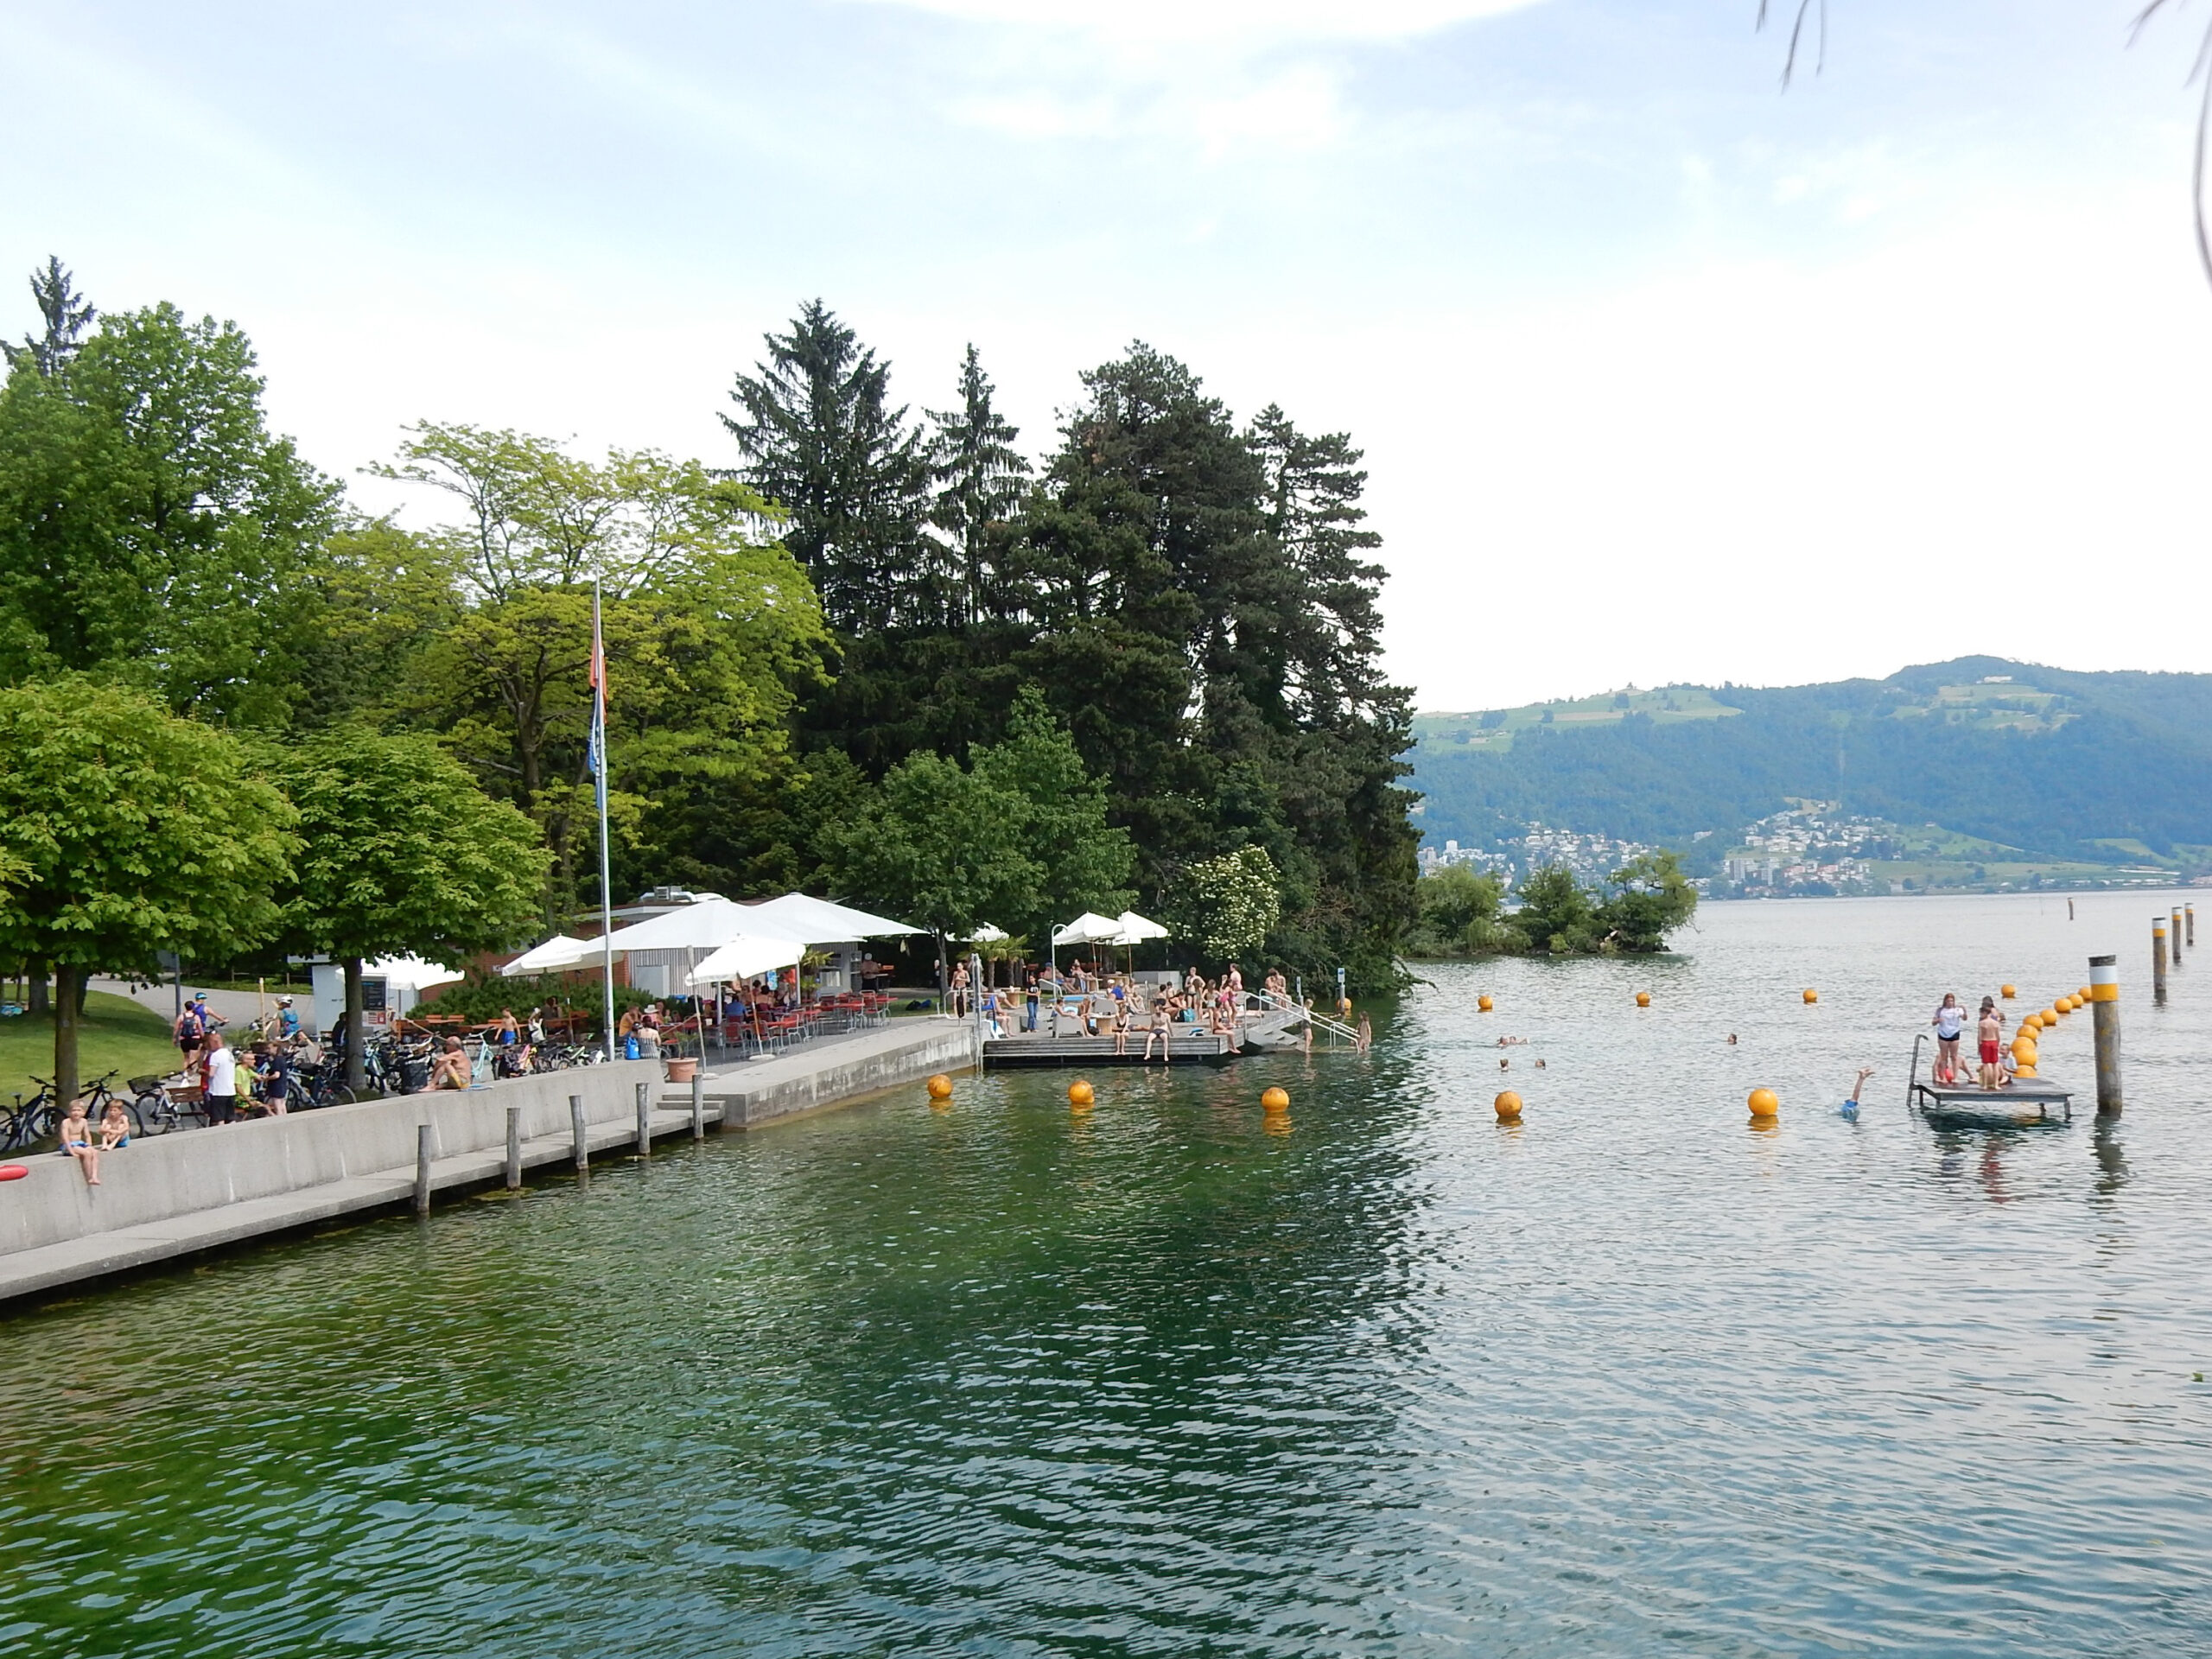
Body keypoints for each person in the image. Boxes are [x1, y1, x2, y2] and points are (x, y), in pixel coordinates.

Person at [57, 1098, 99, 1185]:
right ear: (69, 1112)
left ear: (83, 1112)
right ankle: (89, 1177)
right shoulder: (66, 1122)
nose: (76, 1112)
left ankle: (94, 1176)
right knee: (86, 1154)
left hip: (79, 1143)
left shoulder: (84, 1121)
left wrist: (89, 1146)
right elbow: (65, 1138)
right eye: (73, 1110)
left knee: (94, 1152)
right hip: (68, 1146)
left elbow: (87, 1135)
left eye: (79, 1110)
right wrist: (71, 1151)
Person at [201, 1030, 238, 1125]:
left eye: (209, 1043)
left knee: (219, 1119)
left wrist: (202, 1071)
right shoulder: (229, 1054)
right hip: (230, 1090)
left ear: (215, 1042)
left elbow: (211, 1074)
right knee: (230, 1118)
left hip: (218, 1092)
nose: (208, 1046)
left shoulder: (215, 1056)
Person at [1931, 995, 1967, 1084]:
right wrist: (1938, 1020)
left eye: (1952, 1001)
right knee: (1944, 1056)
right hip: (1943, 1034)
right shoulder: (1940, 1010)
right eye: (1948, 1001)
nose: (1950, 1003)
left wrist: (1965, 1010)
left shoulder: (1957, 1010)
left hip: (1954, 1033)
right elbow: (1933, 1022)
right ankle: (1943, 1077)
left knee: (1954, 1056)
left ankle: (1955, 1077)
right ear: (1945, 1001)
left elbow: (1965, 1018)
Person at [1976, 999, 2005, 1091]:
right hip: (1994, 1042)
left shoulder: (1982, 1023)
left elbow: (1980, 1036)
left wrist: (1979, 1047)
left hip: (1986, 1042)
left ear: (1984, 1013)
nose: (1980, 1015)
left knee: (1986, 1064)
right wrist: (1998, 1045)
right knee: (1995, 1064)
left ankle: (1985, 1084)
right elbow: (1998, 1036)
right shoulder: (1996, 1023)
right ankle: (1996, 1084)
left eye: (1981, 1013)